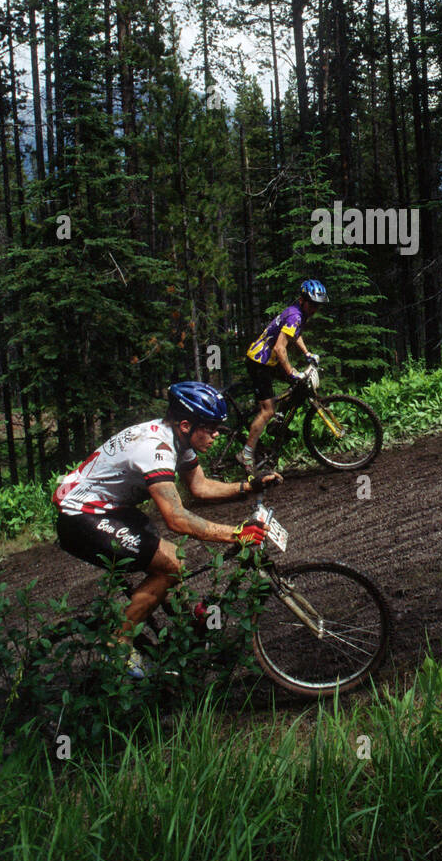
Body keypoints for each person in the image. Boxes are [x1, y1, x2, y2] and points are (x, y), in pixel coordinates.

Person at [54, 381, 281, 677]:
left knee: (174, 558)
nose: (216, 435)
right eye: (211, 427)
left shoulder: (178, 439)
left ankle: (180, 634)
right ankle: (117, 642)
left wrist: (247, 486)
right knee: (170, 565)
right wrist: (236, 533)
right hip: (79, 516)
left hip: (110, 509)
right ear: (186, 425)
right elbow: (177, 519)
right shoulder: (155, 449)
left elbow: (199, 487)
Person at [236, 279, 328, 470]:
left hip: (268, 360)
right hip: (259, 362)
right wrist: (291, 371)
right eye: (312, 304)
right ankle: (245, 453)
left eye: (318, 305)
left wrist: (307, 353)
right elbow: (279, 348)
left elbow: (295, 333)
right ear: (303, 300)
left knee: (299, 386)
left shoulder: (297, 312)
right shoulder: (295, 315)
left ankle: (279, 422)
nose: (314, 309)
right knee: (267, 409)